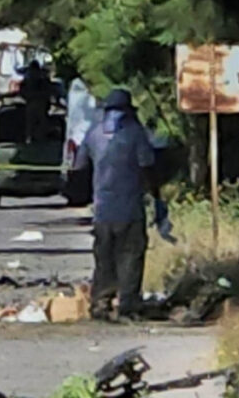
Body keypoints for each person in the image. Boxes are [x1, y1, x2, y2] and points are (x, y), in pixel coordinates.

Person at [74, 88, 174, 321]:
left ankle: (100, 303)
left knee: (104, 258)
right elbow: (147, 167)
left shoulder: (94, 133)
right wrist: (157, 197)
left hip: (102, 211)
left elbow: (78, 167)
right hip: (129, 209)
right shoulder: (135, 133)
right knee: (130, 256)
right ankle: (128, 304)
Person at [19, 60, 53, 142]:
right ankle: (33, 138)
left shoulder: (42, 81)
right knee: (34, 122)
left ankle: (36, 138)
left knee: (38, 122)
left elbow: (23, 93)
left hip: (37, 104)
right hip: (35, 104)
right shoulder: (30, 81)